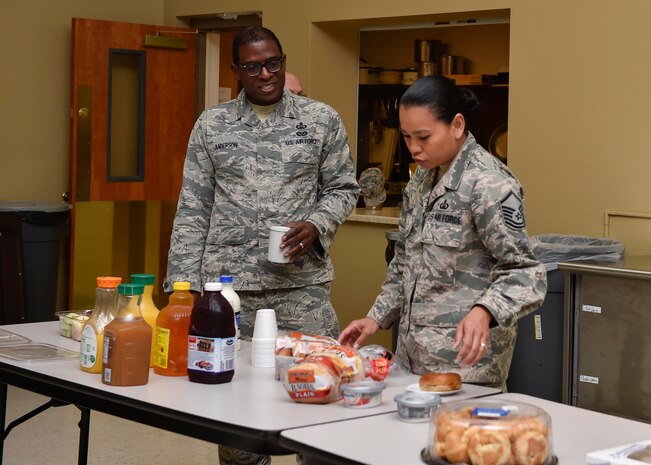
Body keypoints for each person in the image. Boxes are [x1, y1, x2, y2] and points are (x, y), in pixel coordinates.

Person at [165, 25, 360, 465]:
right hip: (230, 293)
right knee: (235, 417)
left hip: (301, 287)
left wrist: (315, 224)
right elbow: (193, 205)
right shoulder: (212, 125)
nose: (266, 74)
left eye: (274, 63)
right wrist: (183, 287)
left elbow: (344, 188)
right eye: (253, 67)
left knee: (319, 400)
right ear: (236, 70)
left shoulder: (320, 120)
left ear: (284, 60)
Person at [339, 76, 547, 391]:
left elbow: (526, 274)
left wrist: (484, 311)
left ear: (457, 125)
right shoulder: (421, 180)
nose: (413, 148)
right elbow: (405, 261)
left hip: (466, 370)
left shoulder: (488, 184)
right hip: (413, 361)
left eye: (423, 136)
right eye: (406, 136)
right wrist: (377, 317)